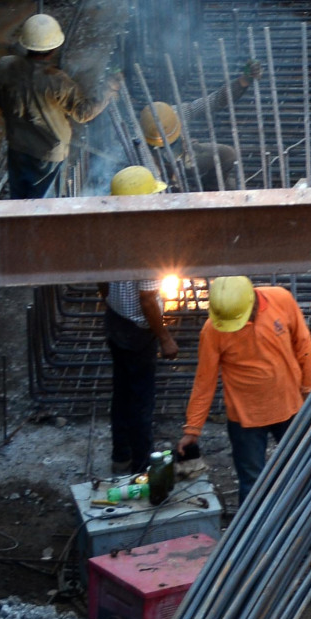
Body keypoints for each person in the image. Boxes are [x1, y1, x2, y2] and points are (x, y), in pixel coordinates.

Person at [177, 276, 311, 506]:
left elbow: (303, 344)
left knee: (304, 473)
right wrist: (193, 429)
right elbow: (205, 381)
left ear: (251, 301)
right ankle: (253, 539)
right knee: (252, 484)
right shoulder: (214, 328)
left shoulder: (281, 299)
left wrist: (308, 388)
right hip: (245, 418)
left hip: (289, 406)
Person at [0, 14, 117, 198]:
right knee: (44, 203)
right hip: (49, 153)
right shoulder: (56, 81)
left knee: (19, 196)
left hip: (17, 145)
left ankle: (18, 221)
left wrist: (10, 106)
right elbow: (84, 113)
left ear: (25, 44)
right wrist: (108, 90)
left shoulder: (5, 66)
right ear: (54, 48)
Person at [99, 165, 180, 472]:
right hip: (137, 332)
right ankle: (141, 468)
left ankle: (120, 455)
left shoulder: (108, 231)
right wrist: (165, 337)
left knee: (121, 392)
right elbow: (148, 299)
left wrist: (109, 300)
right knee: (141, 400)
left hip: (115, 322)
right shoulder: (147, 243)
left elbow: (100, 280)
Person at [137, 58, 265, 190]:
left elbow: (215, 100)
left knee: (227, 155)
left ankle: (210, 188)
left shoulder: (177, 113)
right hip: (160, 170)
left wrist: (243, 81)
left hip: (187, 155)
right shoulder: (140, 139)